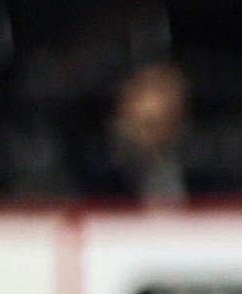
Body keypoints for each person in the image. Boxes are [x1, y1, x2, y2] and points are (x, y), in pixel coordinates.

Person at [80, 61, 189, 208]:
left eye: (165, 91)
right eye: (147, 90)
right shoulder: (97, 166)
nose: (156, 105)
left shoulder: (195, 161)